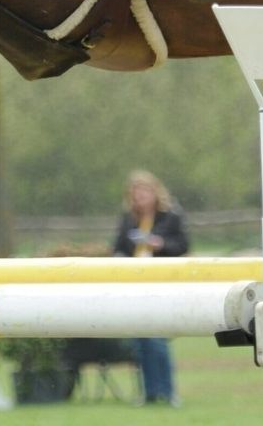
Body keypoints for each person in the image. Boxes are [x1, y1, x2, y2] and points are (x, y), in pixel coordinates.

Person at [113, 170, 189, 406]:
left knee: (157, 338)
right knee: (141, 340)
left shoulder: (171, 217)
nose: (139, 198)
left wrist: (159, 244)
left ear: (155, 193)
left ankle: (167, 392)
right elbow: (117, 247)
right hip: (135, 285)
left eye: (144, 192)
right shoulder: (128, 219)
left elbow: (183, 246)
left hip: (160, 284)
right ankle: (149, 392)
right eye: (135, 194)